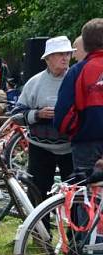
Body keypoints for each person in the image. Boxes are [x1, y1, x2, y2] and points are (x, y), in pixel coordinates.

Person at [13, 36, 75, 200]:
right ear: (48, 58)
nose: (65, 58)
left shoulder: (76, 79)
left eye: (68, 54)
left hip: (71, 146)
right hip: (40, 147)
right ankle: (39, 226)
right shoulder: (35, 82)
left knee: (76, 193)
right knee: (38, 192)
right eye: (60, 54)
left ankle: (77, 226)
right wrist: (38, 114)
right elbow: (16, 115)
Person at [55, 18, 103, 174]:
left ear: (86, 44)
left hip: (87, 146)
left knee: (86, 195)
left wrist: (79, 130)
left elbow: (62, 117)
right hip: (87, 143)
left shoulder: (77, 71)